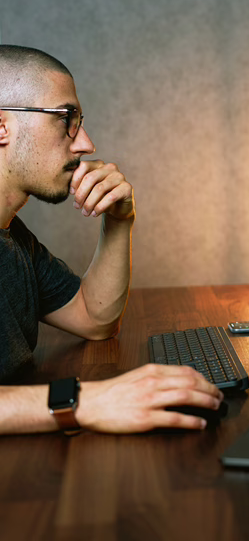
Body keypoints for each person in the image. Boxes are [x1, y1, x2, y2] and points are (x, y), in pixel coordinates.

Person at [0, 45, 223, 434]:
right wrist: (85, 402)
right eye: (66, 118)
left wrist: (120, 220)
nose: (86, 143)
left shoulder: (12, 237)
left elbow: (94, 318)